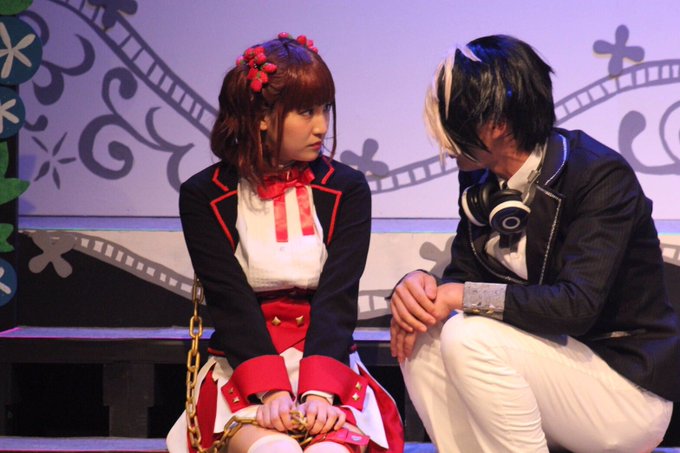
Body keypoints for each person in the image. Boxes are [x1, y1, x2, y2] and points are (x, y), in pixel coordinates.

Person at [389, 34, 680, 453]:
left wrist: (461, 295)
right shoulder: (479, 177)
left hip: (625, 390)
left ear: (496, 124)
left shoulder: (599, 176)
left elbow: (576, 307)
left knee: (469, 336)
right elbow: (463, 275)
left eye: (454, 115)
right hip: (547, 372)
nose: (443, 137)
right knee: (419, 330)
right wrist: (421, 287)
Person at [166, 33, 403, 453]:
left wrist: (320, 393)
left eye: (324, 109)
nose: (321, 126)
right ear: (260, 116)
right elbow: (228, 298)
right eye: (306, 111)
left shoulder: (346, 188)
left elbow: (338, 295)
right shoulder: (205, 195)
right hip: (244, 365)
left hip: (326, 364)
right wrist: (270, 390)